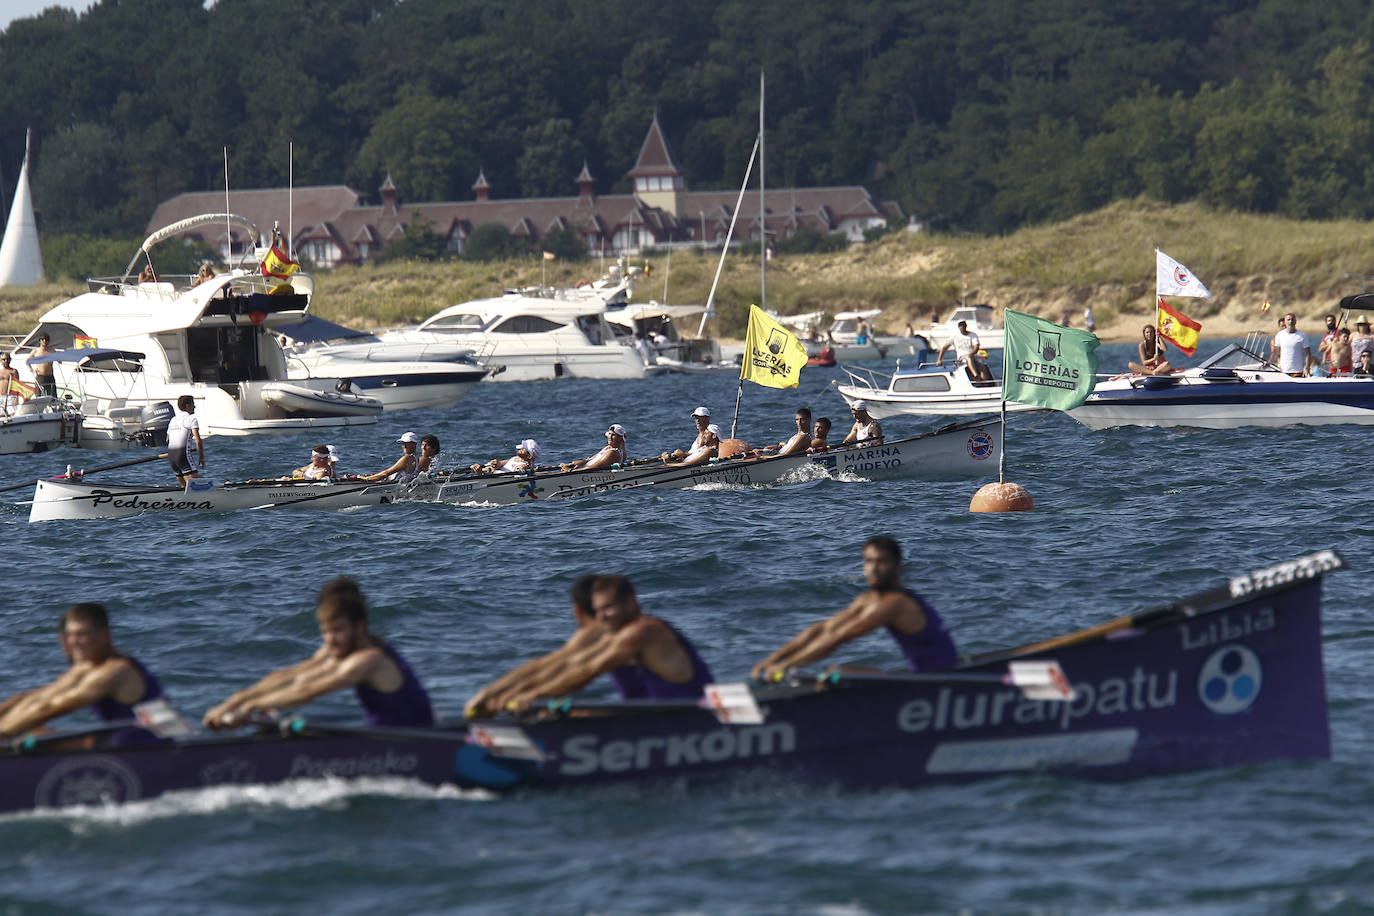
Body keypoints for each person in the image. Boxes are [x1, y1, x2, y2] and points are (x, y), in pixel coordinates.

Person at [203, 577, 434, 729]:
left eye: (338, 630)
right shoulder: (338, 652)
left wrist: (250, 709)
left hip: (419, 744)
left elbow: (306, 691)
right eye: (325, 631)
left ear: (360, 626)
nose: (330, 639)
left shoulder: (369, 659)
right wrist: (237, 700)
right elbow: (294, 677)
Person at [752, 536, 958, 681]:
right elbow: (824, 629)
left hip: (940, 679)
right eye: (868, 561)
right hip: (921, 675)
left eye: (882, 562)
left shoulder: (895, 604)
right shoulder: (869, 599)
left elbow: (837, 638)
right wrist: (773, 659)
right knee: (836, 672)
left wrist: (786, 666)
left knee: (836, 674)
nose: (873, 568)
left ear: (898, 567)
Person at [506, 574, 714, 709]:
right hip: (651, 722)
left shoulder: (644, 632)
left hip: (691, 722)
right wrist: (516, 692)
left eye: (608, 608)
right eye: (597, 610)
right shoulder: (615, 636)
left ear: (631, 602)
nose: (602, 617)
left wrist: (535, 695)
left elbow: (588, 670)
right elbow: (570, 664)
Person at [0, 603, 172, 745]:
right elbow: (39, 697)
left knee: (34, 740)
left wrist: (5, 732)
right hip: (123, 741)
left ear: (104, 636)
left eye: (82, 634)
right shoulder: (89, 666)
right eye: (69, 635)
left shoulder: (115, 671)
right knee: (36, 734)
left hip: (149, 750)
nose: (73, 642)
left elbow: (49, 709)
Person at [465, 574, 612, 718]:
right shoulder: (607, 634)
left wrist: (494, 693)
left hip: (616, 710)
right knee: (548, 709)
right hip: (606, 701)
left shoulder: (596, 633)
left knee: (550, 711)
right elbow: (551, 667)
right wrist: (516, 692)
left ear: (577, 610)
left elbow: (550, 666)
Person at [167, 394, 205, 486]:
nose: (194, 406)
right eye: (193, 404)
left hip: (171, 456)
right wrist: (201, 457)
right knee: (195, 488)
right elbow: (198, 441)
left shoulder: (173, 420)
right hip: (182, 456)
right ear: (188, 406)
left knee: (184, 488)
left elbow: (167, 440)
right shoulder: (191, 419)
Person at [561, 424, 627, 471]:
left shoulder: (612, 453)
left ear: (620, 438)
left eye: (613, 435)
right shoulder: (608, 448)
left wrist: (569, 470)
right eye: (609, 434)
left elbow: (592, 468)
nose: (610, 437)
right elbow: (588, 460)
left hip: (586, 473)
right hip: (582, 470)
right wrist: (579, 463)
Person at [472, 439, 540, 475]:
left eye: (524, 449)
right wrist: (496, 463)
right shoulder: (514, 458)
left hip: (498, 478)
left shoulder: (526, 465)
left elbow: (519, 470)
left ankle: (480, 472)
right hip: (491, 473)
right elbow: (500, 464)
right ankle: (478, 470)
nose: (521, 448)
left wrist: (525, 470)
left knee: (490, 470)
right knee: (489, 468)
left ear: (529, 456)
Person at [27, 333, 56, 398]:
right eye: (42, 339)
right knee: (38, 395)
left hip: (50, 377)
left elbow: (59, 360)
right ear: (40, 341)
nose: (44, 341)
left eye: (46, 339)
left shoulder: (52, 351)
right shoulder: (36, 351)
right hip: (40, 376)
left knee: (52, 396)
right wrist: (31, 369)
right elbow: (27, 361)